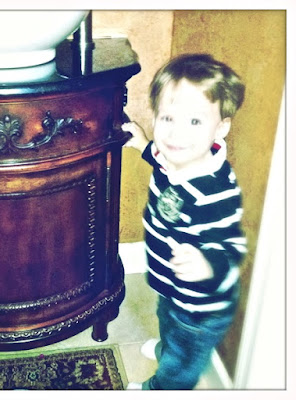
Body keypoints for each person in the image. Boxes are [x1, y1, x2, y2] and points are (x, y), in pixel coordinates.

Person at [122, 53, 247, 390]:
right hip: (174, 287)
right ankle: (168, 350)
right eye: (167, 118)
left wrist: (207, 265)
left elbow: (231, 247)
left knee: (182, 362)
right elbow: (161, 158)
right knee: (166, 319)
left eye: (194, 121)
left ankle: (162, 386)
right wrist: (143, 144)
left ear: (220, 127)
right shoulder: (177, 155)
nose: (176, 134)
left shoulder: (213, 192)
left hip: (199, 308)